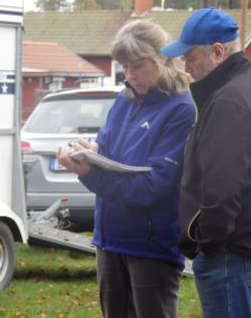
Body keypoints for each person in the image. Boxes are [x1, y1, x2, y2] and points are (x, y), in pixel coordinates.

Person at [161, 8, 251, 318]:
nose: (186, 66)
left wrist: (209, 246)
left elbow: (222, 188)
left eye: (190, 57)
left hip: (236, 256)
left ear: (217, 52)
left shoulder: (230, 101)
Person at [57, 20, 195, 318]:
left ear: (161, 58)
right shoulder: (124, 101)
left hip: (150, 246)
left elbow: (153, 186)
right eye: (124, 67)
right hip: (110, 239)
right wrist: (92, 155)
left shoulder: (180, 109)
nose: (130, 75)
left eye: (138, 66)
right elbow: (109, 153)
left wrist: (90, 175)